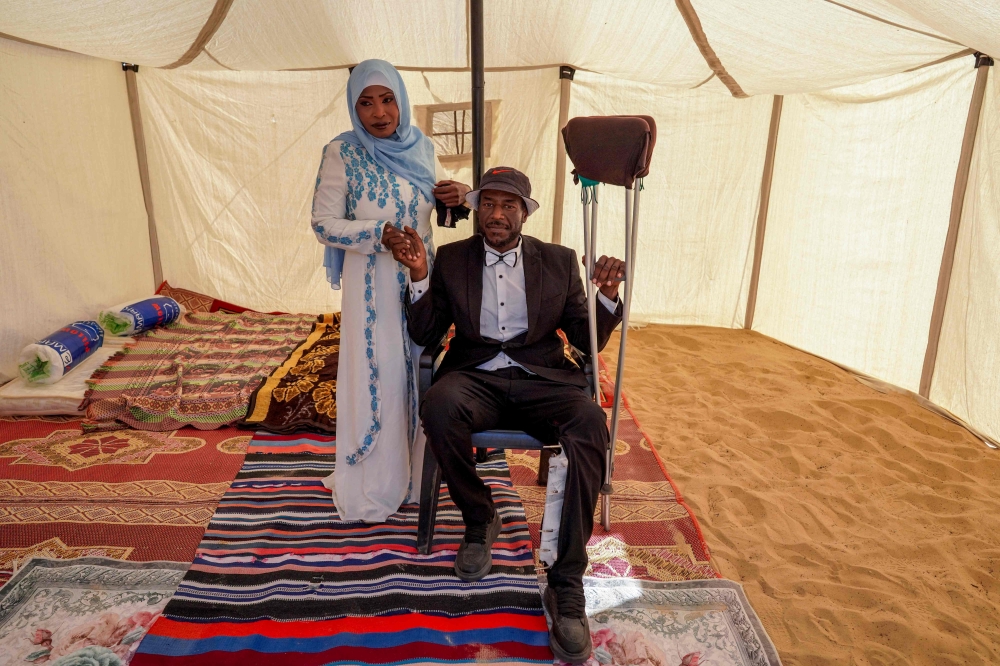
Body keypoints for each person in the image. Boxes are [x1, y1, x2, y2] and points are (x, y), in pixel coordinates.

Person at [382, 166, 625, 664]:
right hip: (478, 377)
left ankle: (567, 583)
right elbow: (427, 334)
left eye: (507, 206)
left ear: (524, 213)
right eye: (487, 204)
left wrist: (606, 297)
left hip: (542, 378)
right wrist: (419, 274)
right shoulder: (450, 259)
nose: (496, 214)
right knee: (440, 404)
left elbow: (585, 338)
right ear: (476, 210)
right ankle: (480, 516)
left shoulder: (557, 262)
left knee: (589, 426)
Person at [310, 59, 469, 522]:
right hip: (371, 289)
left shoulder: (423, 148)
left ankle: (418, 476)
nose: (379, 112)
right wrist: (377, 234)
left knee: (422, 369)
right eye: (366, 102)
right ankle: (375, 481)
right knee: (380, 373)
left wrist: (453, 201)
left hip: (421, 283)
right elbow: (322, 223)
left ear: (400, 100)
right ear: (353, 107)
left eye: (387, 100)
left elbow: (431, 218)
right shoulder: (341, 152)